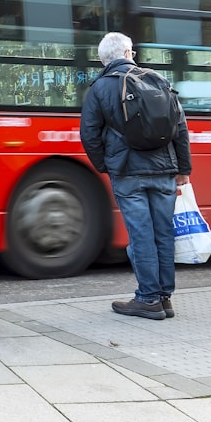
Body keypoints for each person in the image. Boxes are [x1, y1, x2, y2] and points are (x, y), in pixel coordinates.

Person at [79, 32, 191, 320]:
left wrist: (106, 165)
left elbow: (89, 135)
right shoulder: (158, 80)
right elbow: (180, 127)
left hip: (128, 172)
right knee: (163, 232)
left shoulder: (100, 88)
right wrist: (183, 170)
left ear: (103, 59)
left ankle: (148, 298)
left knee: (141, 234)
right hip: (164, 169)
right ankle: (165, 298)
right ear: (128, 52)